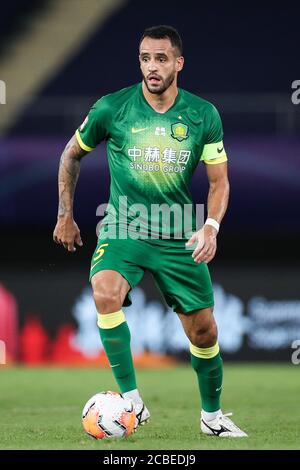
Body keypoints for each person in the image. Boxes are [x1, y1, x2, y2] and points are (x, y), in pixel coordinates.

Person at [53, 25, 247, 437]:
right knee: (104, 291)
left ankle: (211, 418)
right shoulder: (112, 108)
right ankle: (132, 402)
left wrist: (211, 227)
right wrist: (64, 214)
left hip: (180, 232)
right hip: (124, 226)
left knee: (205, 330)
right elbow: (71, 155)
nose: (152, 67)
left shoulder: (202, 115)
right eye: (145, 58)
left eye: (161, 58)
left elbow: (219, 182)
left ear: (179, 63)